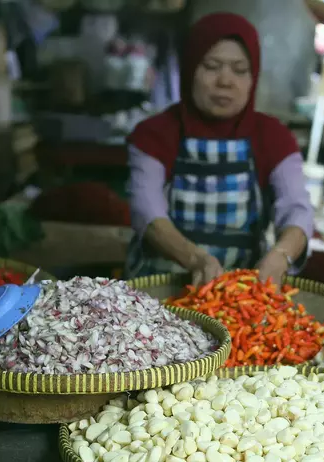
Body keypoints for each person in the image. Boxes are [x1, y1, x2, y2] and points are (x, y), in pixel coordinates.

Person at [125, 13, 312, 285]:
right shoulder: (154, 134)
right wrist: (194, 258)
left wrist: (281, 255)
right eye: (212, 67)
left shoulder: (274, 137)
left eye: (240, 70)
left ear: (253, 77)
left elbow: (297, 209)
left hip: (241, 291)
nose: (225, 81)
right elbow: (147, 211)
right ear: (190, 70)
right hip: (158, 286)